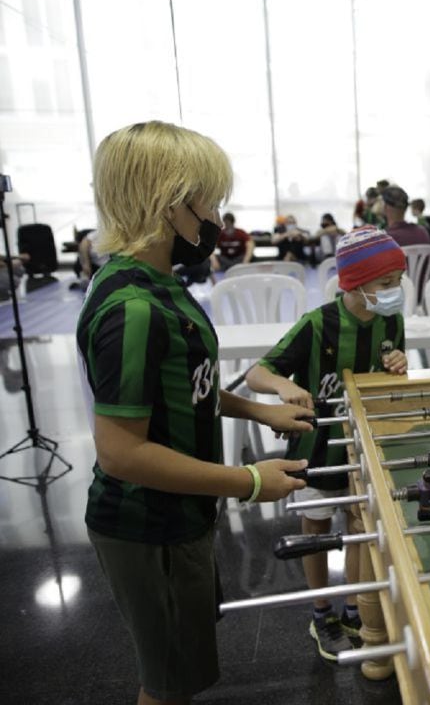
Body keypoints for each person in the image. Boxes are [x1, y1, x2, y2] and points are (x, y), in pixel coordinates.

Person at [77, 121, 313, 705]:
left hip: (182, 512)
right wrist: (248, 480)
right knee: (166, 683)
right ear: (169, 203)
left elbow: (188, 390)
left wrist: (258, 412)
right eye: (208, 201)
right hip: (147, 524)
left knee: (181, 661)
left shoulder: (166, 285)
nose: (216, 217)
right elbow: (121, 452)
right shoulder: (133, 309)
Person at [245, 226, 408, 662]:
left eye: (399, 282)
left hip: (362, 448)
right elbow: (256, 373)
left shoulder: (392, 320)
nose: (396, 292)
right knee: (316, 529)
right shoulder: (317, 325)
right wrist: (282, 387)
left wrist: (399, 365)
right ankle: (321, 613)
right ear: (355, 283)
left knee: (358, 527)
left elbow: (394, 375)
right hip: (314, 450)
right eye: (387, 283)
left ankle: (354, 607)